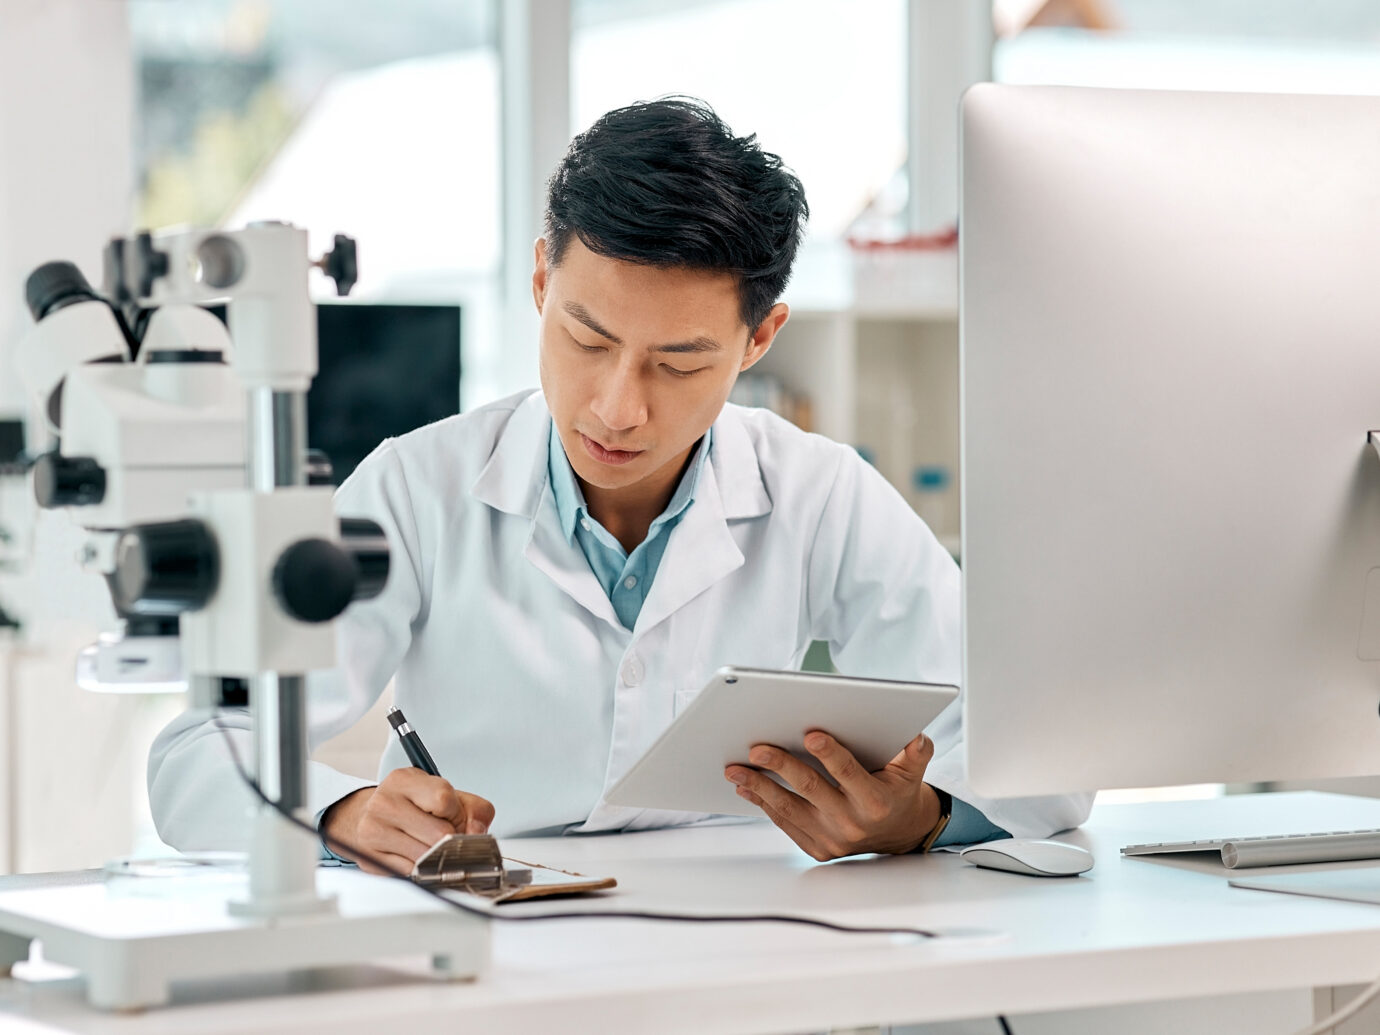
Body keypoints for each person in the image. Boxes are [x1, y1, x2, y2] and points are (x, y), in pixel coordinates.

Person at [149, 98, 1092, 872]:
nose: (616, 406)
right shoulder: (416, 486)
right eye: (587, 339)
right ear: (538, 284)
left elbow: (1048, 753)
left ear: (760, 341)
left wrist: (919, 816)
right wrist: (345, 813)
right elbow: (195, 756)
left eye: (679, 363)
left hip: (751, 946)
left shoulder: (817, 491)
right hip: (489, 952)